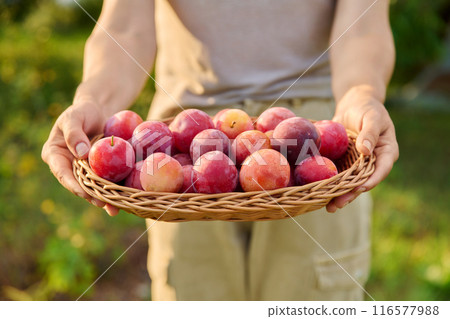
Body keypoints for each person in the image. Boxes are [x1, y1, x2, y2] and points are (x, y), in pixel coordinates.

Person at [42, 0, 399, 300]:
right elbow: (124, 29)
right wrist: (94, 102)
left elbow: (363, 27)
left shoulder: (320, 157)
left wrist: (361, 96)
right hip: (180, 144)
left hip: (309, 144)